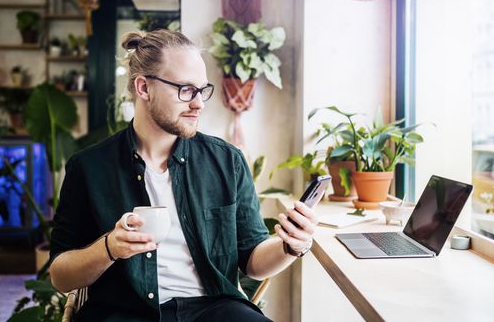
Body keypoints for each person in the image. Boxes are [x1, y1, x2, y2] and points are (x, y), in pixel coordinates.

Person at [49, 29, 319, 322]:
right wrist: (109, 248)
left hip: (214, 309)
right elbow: (61, 276)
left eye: (202, 90)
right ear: (143, 88)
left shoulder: (226, 161)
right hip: (123, 312)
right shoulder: (89, 168)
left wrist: (291, 245)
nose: (199, 103)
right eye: (185, 90)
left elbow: (252, 261)